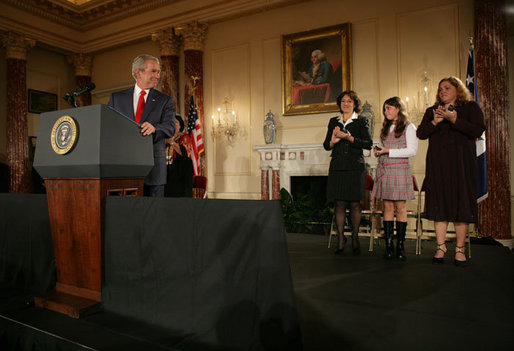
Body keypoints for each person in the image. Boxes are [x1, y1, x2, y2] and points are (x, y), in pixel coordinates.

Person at [417, 76, 485, 266]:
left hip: (462, 165)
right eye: (440, 89)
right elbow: (420, 134)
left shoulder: (470, 108)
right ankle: (440, 247)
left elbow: (478, 130)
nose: (442, 91)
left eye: (446, 88)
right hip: (438, 165)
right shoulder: (432, 111)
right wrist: (435, 123)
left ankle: (460, 249)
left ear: (458, 89)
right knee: (439, 204)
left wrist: (455, 119)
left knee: (461, 204)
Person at [108, 54, 175, 197]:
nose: (158, 76)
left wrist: (155, 128)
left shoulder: (165, 100)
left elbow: (170, 127)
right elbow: (109, 128)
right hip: (123, 168)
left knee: (153, 214)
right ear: (139, 72)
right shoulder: (117, 98)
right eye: (153, 71)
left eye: (158, 72)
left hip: (153, 169)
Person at [323, 90, 372, 255]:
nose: (346, 104)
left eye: (349, 101)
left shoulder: (361, 121)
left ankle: (355, 237)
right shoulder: (333, 121)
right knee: (339, 204)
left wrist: (349, 138)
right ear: (340, 104)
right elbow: (326, 145)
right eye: (343, 101)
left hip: (355, 167)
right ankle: (341, 239)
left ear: (355, 104)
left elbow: (368, 143)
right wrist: (333, 141)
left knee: (355, 204)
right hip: (337, 166)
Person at [372, 97, 418, 261]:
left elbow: (412, 150)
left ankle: (400, 246)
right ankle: (389, 245)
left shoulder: (408, 126)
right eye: (385, 109)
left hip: (399, 169)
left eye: (389, 108)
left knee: (400, 207)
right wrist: (378, 150)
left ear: (398, 108)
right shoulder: (386, 127)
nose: (386, 112)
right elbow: (383, 146)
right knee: (387, 207)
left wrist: (387, 151)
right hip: (385, 169)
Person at [165, 115, 194, 197]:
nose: (173, 124)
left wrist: (172, 142)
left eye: (176, 122)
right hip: (166, 171)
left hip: (179, 173)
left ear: (180, 126)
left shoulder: (184, 137)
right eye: (171, 122)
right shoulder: (164, 137)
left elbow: (185, 154)